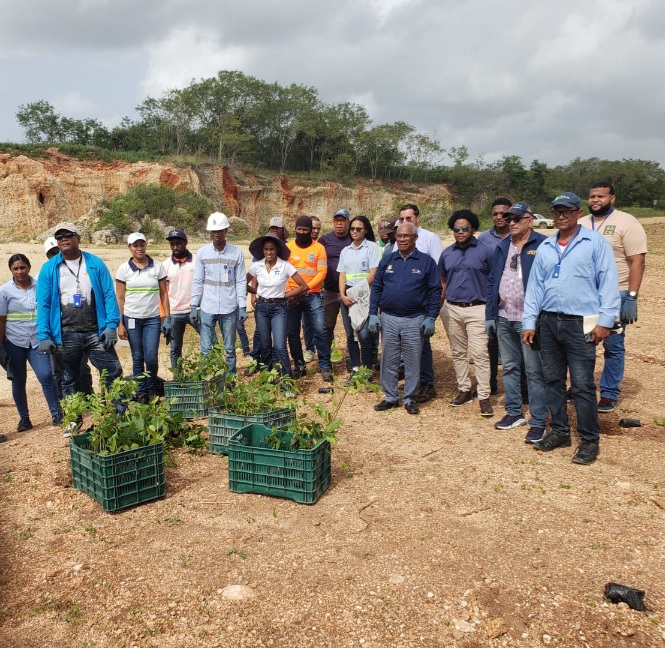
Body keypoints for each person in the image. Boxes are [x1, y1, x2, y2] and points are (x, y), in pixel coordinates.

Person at [522, 192, 620, 465]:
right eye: (556, 212)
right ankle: (560, 432)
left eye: (566, 211)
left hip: (581, 324)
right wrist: (529, 321)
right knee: (552, 380)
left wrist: (605, 322)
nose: (560, 216)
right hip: (549, 322)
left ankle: (589, 441)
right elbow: (535, 288)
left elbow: (608, 283)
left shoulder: (595, 243)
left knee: (582, 385)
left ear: (578, 213)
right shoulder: (547, 247)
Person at [36, 222, 123, 436]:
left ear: (78, 238)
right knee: (69, 379)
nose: (63, 239)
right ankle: (74, 421)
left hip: (95, 332)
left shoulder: (94, 263)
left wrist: (112, 325)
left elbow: (109, 294)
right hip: (65, 335)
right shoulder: (50, 268)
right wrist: (43, 334)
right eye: (59, 237)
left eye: (68, 235)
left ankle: (121, 414)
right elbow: (44, 303)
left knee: (113, 372)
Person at [579, 182, 647, 413]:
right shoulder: (581, 223)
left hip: (616, 293)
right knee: (582, 343)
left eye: (600, 196)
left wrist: (632, 296)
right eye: (591, 196)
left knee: (613, 345)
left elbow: (637, 260)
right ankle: (582, 384)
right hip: (585, 294)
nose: (595, 200)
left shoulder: (627, 222)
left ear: (613, 198)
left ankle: (608, 393)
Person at [486, 203, 548, 442]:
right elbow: (493, 281)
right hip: (504, 316)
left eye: (516, 218)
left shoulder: (542, 245)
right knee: (510, 367)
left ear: (530, 220)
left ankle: (539, 420)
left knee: (534, 371)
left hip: (529, 320)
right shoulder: (503, 246)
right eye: (508, 218)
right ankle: (514, 412)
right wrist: (490, 315)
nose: (510, 222)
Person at [369, 222, 441, 415]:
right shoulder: (388, 259)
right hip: (389, 318)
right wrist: (372, 314)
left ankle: (410, 398)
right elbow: (377, 287)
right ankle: (390, 397)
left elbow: (435, 291)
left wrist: (431, 317)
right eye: (399, 236)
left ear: (415, 238)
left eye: (406, 236)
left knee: (412, 361)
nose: (401, 239)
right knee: (389, 359)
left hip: (414, 319)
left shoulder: (426, 262)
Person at [439, 209, 494, 417]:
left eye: (465, 228)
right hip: (453, 308)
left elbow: (493, 280)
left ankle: (484, 395)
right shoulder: (447, 253)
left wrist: (492, 309)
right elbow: (443, 280)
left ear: (473, 229)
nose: (460, 232)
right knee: (458, 352)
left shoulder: (486, 251)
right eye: (456, 229)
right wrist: (439, 305)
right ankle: (464, 389)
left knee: (480, 353)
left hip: (478, 308)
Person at [0, 254, 62, 432]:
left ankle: (56, 413)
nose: (20, 271)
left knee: (46, 376)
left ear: (29, 267)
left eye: (23, 267)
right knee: (18, 381)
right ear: (11, 270)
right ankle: (24, 419)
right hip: (14, 342)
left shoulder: (40, 286)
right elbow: (2, 319)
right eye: (16, 268)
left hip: (37, 341)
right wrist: (1, 345)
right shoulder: (4, 291)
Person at [116, 233, 171, 401]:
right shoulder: (124, 269)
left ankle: (152, 387)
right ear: (129, 248)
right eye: (135, 245)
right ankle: (141, 393)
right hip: (132, 319)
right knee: (138, 357)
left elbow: (164, 293)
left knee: (151, 358)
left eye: (141, 245)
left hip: (152, 319)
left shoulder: (157, 267)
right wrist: (120, 323)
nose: (139, 248)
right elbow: (120, 297)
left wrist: (167, 317)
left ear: (146, 245)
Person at [396, 204, 443, 403]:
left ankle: (426, 383)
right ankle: (410, 378)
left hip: (421, 303)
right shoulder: (399, 238)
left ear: (418, 218)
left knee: (422, 345)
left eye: (409, 218)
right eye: (402, 219)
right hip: (401, 307)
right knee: (404, 344)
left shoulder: (430, 238)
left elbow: (438, 272)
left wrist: (435, 308)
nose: (405, 222)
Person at [190, 212, 247, 373]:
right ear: (209, 232)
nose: (216, 234)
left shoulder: (236, 253)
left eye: (220, 231)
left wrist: (242, 305)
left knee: (229, 349)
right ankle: (210, 379)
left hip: (229, 308)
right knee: (206, 349)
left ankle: (229, 382)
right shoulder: (202, 253)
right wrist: (194, 305)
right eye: (213, 231)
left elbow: (241, 281)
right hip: (208, 307)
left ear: (226, 231)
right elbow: (198, 280)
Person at [246, 234, 308, 377]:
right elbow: (242, 283)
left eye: (272, 249)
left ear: (277, 250)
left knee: (280, 346)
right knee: (265, 345)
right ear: (263, 250)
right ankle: (266, 377)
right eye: (266, 249)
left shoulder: (285, 266)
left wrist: (286, 295)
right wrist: (257, 292)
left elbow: (303, 286)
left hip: (279, 308)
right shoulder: (257, 266)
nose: (269, 252)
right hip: (261, 307)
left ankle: (286, 379)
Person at [43, 237, 94, 398]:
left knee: (82, 366)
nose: (54, 255)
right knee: (60, 370)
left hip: (80, 328)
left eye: (56, 252)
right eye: (51, 253)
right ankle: (64, 403)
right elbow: (43, 306)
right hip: (57, 332)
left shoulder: (82, 266)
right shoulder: (45, 273)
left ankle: (87, 396)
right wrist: (44, 334)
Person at [285, 216, 333, 381]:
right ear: (295, 228)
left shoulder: (318, 248)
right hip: (291, 296)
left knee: (320, 329)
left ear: (310, 230)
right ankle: (299, 365)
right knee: (292, 332)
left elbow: (322, 272)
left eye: (305, 230)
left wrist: (305, 288)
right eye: (299, 230)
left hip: (312, 294)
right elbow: (282, 272)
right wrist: (289, 292)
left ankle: (325, 365)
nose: (302, 233)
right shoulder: (288, 247)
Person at [338, 216, 381, 378]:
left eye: (358, 229)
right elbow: (342, 275)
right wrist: (342, 295)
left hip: (365, 295)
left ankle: (367, 370)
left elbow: (373, 273)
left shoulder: (372, 248)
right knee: (350, 334)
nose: (354, 232)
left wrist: (357, 292)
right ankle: (355, 370)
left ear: (366, 231)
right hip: (347, 296)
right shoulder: (345, 251)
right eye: (352, 229)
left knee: (364, 334)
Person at [478, 197, 513, 395]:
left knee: (517, 343)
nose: (499, 217)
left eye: (504, 214)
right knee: (490, 342)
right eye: (495, 214)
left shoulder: (519, 234)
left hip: (515, 296)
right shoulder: (484, 238)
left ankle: (519, 387)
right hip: (491, 296)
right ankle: (490, 382)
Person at [163, 229, 199, 369]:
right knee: (175, 348)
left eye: (178, 243)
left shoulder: (197, 261)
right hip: (174, 312)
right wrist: (164, 317)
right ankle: (178, 379)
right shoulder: (165, 265)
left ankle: (210, 374)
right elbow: (163, 292)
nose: (175, 247)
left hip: (196, 310)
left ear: (185, 243)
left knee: (210, 343)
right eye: (172, 244)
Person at [319, 209, 352, 353]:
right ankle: (329, 353)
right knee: (327, 325)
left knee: (350, 326)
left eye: (342, 221)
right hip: (330, 290)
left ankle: (352, 356)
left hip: (350, 290)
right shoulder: (325, 239)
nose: (339, 224)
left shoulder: (353, 238)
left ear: (347, 222)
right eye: (336, 221)